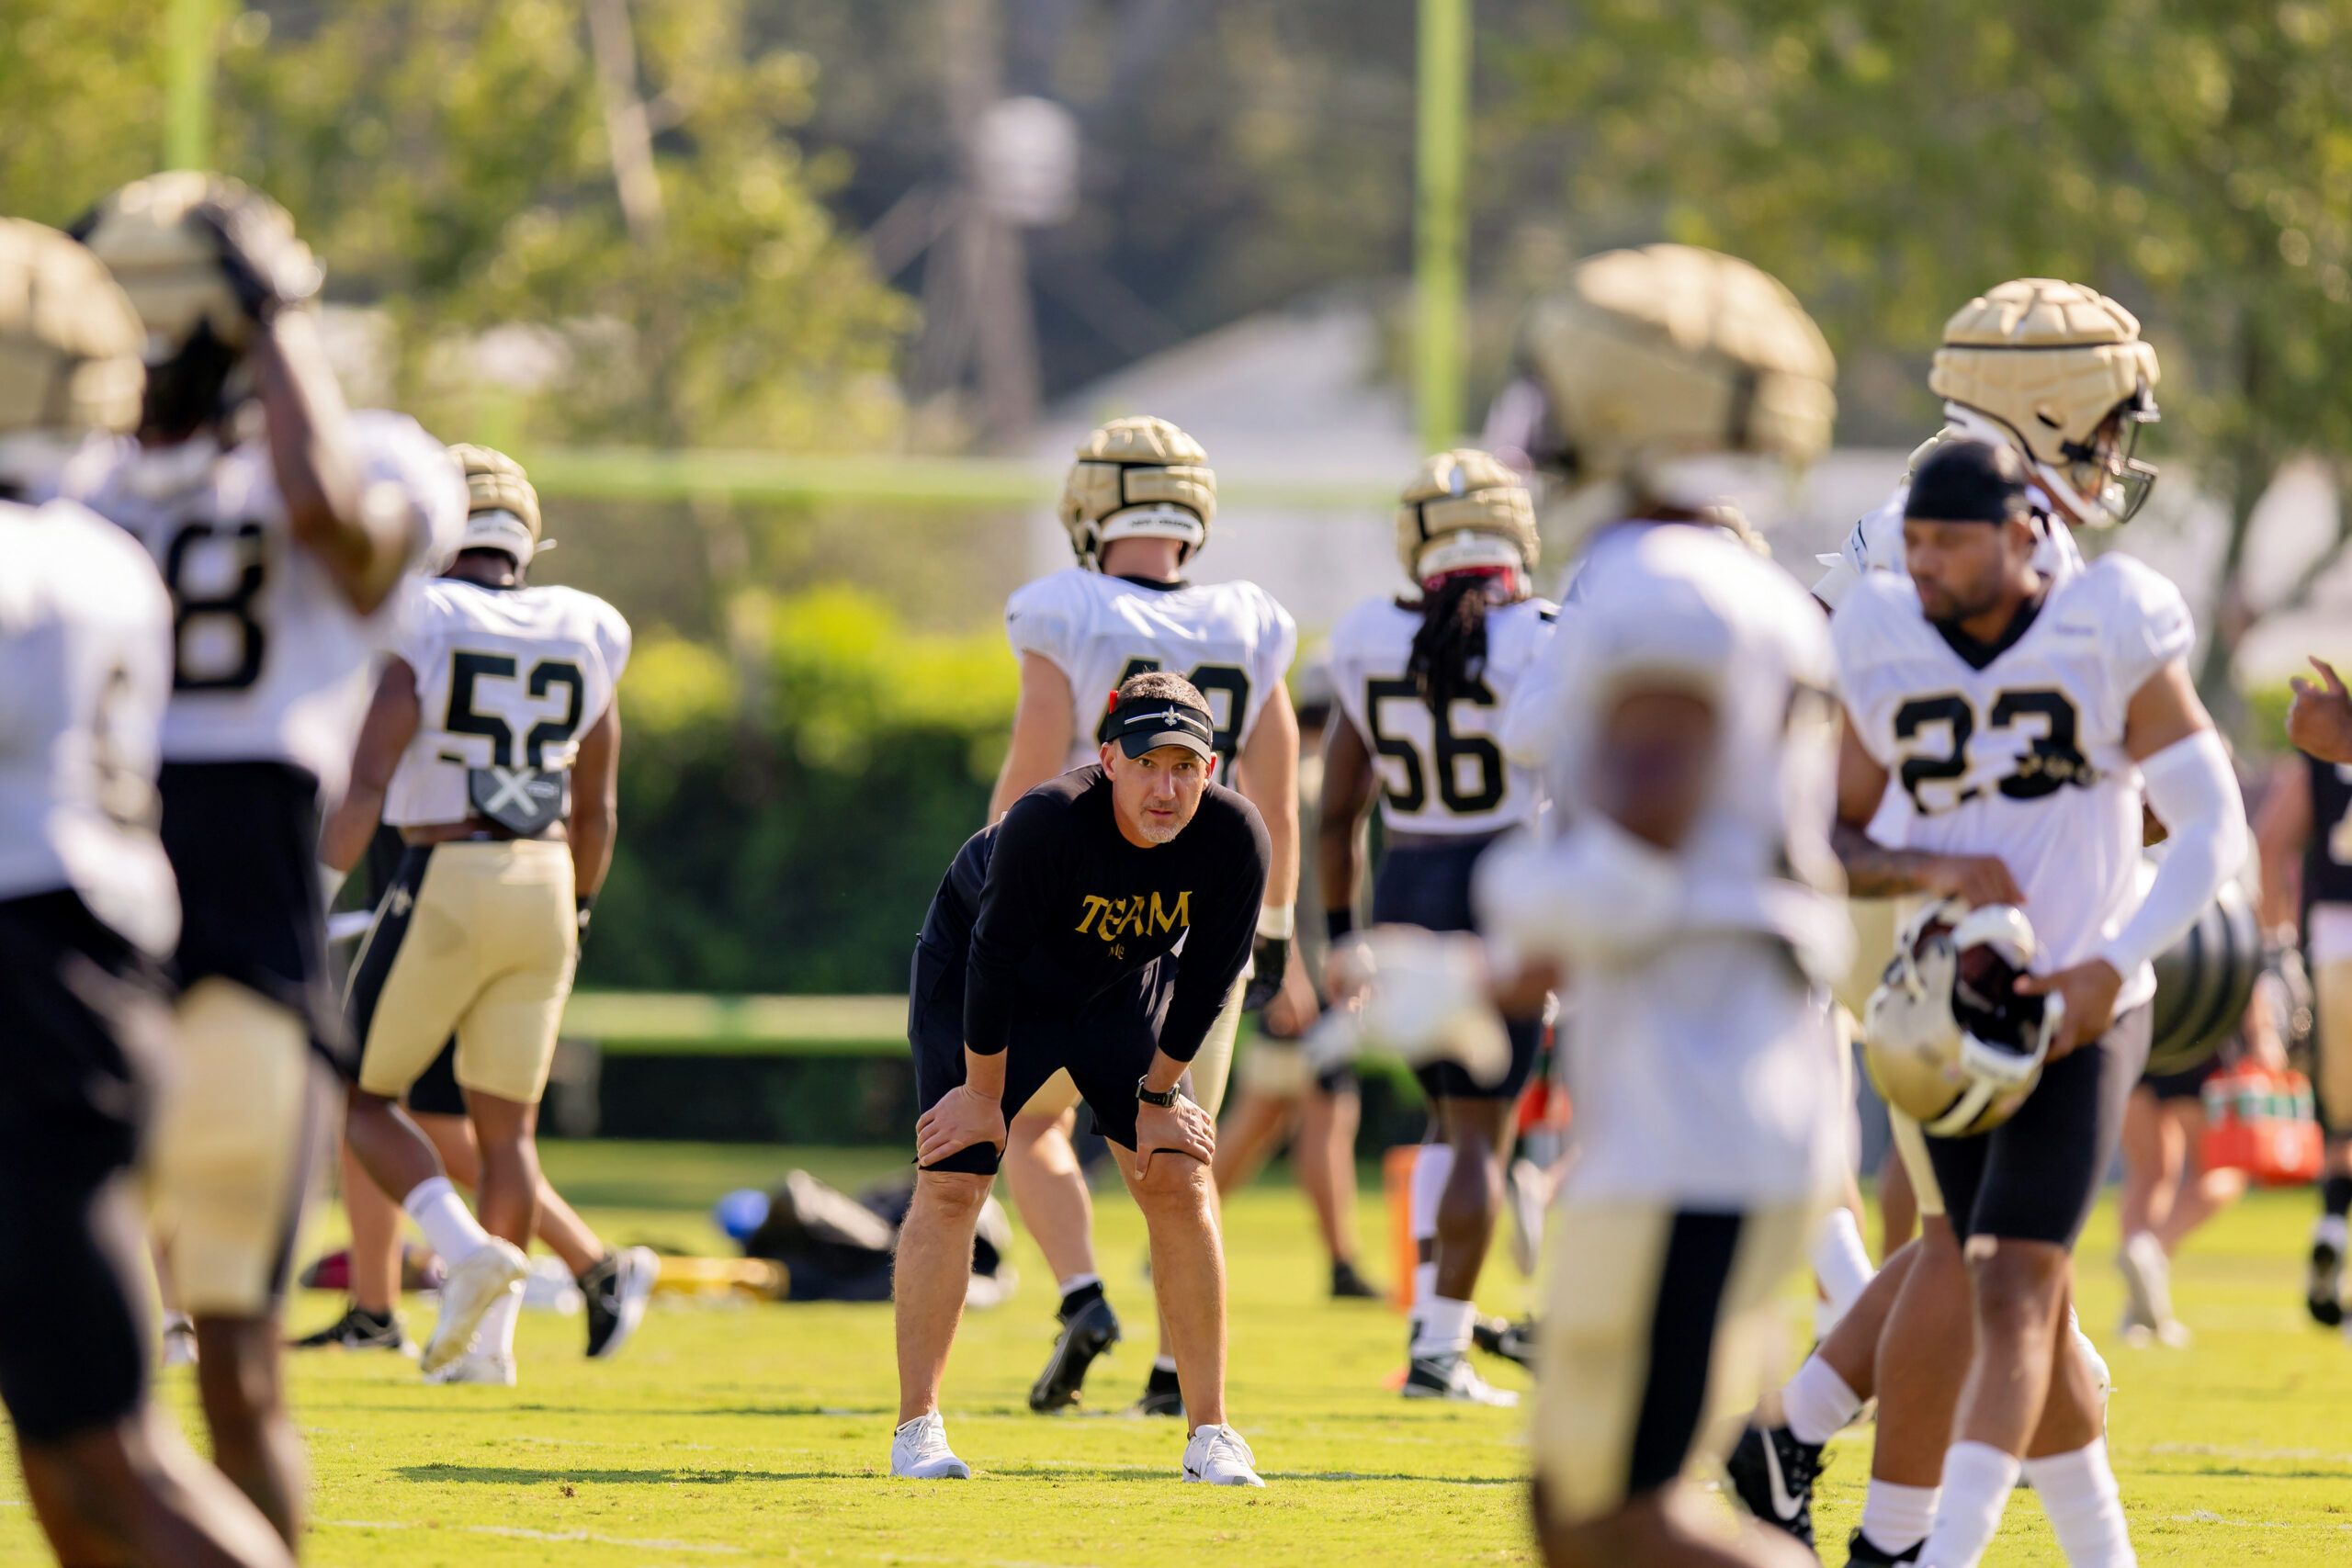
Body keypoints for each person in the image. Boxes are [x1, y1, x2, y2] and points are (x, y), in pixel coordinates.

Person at [1728, 276, 2163, 1558]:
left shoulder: (1943, 513)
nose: (2121, 446)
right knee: (1988, 1261)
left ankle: (1804, 1433)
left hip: (1898, 884)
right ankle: (1896, 1527)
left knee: (1997, 1260)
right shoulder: (1974, 528)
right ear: (2057, 405)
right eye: (2109, 416)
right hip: (1919, 896)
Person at [69, 171, 467, 1545]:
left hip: (240, 914)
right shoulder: (85, 471)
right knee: (77, 1400)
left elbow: (342, 539)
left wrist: (278, 313)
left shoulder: (376, 453)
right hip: (75, 906)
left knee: (235, 1373)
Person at [1472, 241, 1847, 1568]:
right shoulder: (1711, 575)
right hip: (1700, 1099)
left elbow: (1631, 863)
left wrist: (1479, 943)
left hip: (1702, 1119)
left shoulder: (1662, 585)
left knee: (1629, 1518)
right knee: (1572, 1515)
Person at [1829, 437, 2245, 1568]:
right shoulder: (1877, 634)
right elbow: (1834, 831)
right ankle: (2102, 1557)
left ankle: (1926, 1553)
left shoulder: (2103, 620)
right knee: (2015, 1294)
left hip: (2089, 1006)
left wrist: (2110, 959)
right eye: (1911, 542)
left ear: (2022, 535)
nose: (1921, 565)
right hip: (1945, 1009)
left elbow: (2209, 820)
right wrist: (1934, 872)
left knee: (2011, 1285)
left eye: (1946, 543)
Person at [0, 214, 295, 1568]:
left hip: (31, 991)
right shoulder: (98, 553)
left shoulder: (37, 563)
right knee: (70, 1466)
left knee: (111, 1460)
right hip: (79, 981)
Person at [989, 416, 1301, 1418]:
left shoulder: (1065, 609)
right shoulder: (1253, 619)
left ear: (1089, 504)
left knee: (1024, 1121)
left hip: (1076, 911)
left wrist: (991, 906)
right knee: (1177, 1146)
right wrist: (1277, 927)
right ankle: (1176, 1379)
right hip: (1199, 917)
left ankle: (1081, 1290)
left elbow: (1030, 780)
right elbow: (1277, 798)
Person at [892, 671, 1270, 1485]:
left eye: (1184, 766)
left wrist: (1162, 1094)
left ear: (1210, 769)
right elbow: (990, 963)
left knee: (1177, 1176)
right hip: (986, 981)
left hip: (1113, 987)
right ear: (1108, 759)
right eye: (1146, 763)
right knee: (954, 1178)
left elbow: (1208, 976)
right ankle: (917, 1426)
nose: (1165, 787)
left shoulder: (1235, 834)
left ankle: (1212, 1432)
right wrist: (983, 1096)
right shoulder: (1048, 821)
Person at [316, 445, 634, 1384]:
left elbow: (371, 776)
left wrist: (310, 883)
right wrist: (575, 908)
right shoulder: (589, 624)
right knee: (510, 1134)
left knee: (357, 1095)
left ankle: (464, 1247)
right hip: (546, 884)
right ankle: (490, 1352)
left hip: (446, 865)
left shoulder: (424, 615)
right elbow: (598, 807)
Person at [1320, 448, 1556, 1404]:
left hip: (1408, 884)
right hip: (1507, 881)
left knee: (1451, 1122)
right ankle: (1439, 1349)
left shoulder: (1369, 633)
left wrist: (1340, 934)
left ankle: (1435, 1338)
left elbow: (1337, 811)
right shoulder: (1544, 633)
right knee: (1479, 1135)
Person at [1211, 660, 1376, 1303]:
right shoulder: (1311, 782)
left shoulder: (1296, 777)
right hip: (1303, 975)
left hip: (1295, 971)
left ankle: (1173, 1227)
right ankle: (1341, 1262)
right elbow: (1276, 886)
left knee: (1264, 1118)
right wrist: (1291, 975)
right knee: (1328, 1114)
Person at [2252, 744, 2352, 1328]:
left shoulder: (2319, 759)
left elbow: (2269, 844)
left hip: (2333, 946)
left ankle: (2332, 1227)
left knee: (2340, 1121)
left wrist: (2276, 947)